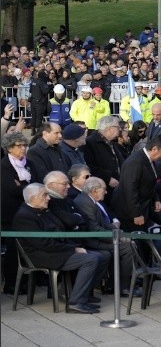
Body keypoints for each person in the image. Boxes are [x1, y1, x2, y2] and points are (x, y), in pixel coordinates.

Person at [12, 183, 110, 314]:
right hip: (43, 255)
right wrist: (73, 249)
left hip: (56, 250)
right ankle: (75, 302)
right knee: (90, 259)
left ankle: (83, 294)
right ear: (32, 198)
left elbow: (60, 232)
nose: (48, 198)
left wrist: (74, 246)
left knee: (103, 256)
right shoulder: (24, 216)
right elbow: (44, 244)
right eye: (44, 195)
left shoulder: (44, 211)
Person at [73, 177, 137, 297]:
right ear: (94, 190)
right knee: (127, 248)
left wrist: (120, 233)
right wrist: (118, 238)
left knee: (128, 244)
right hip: (91, 241)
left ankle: (118, 283)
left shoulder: (90, 201)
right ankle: (124, 287)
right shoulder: (85, 203)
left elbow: (105, 224)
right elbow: (95, 230)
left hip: (97, 237)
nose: (106, 192)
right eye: (104, 189)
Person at [111, 135, 161, 231]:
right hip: (129, 212)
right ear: (155, 149)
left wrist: (156, 199)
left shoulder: (150, 160)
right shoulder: (135, 161)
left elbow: (150, 182)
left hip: (143, 208)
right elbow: (130, 189)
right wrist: (136, 214)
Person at [1, 132, 30, 294]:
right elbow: (13, 189)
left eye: (24, 145)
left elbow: (36, 183)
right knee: (13, 249)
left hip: (27, 213)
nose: (23, 148)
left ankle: (26, 280)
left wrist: (23, 185)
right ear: (9, 148)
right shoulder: (4, 165)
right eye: (19, 146)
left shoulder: (28, 163)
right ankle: (11, 283)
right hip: (10, 214)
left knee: (25, 247)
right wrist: (27, 187)